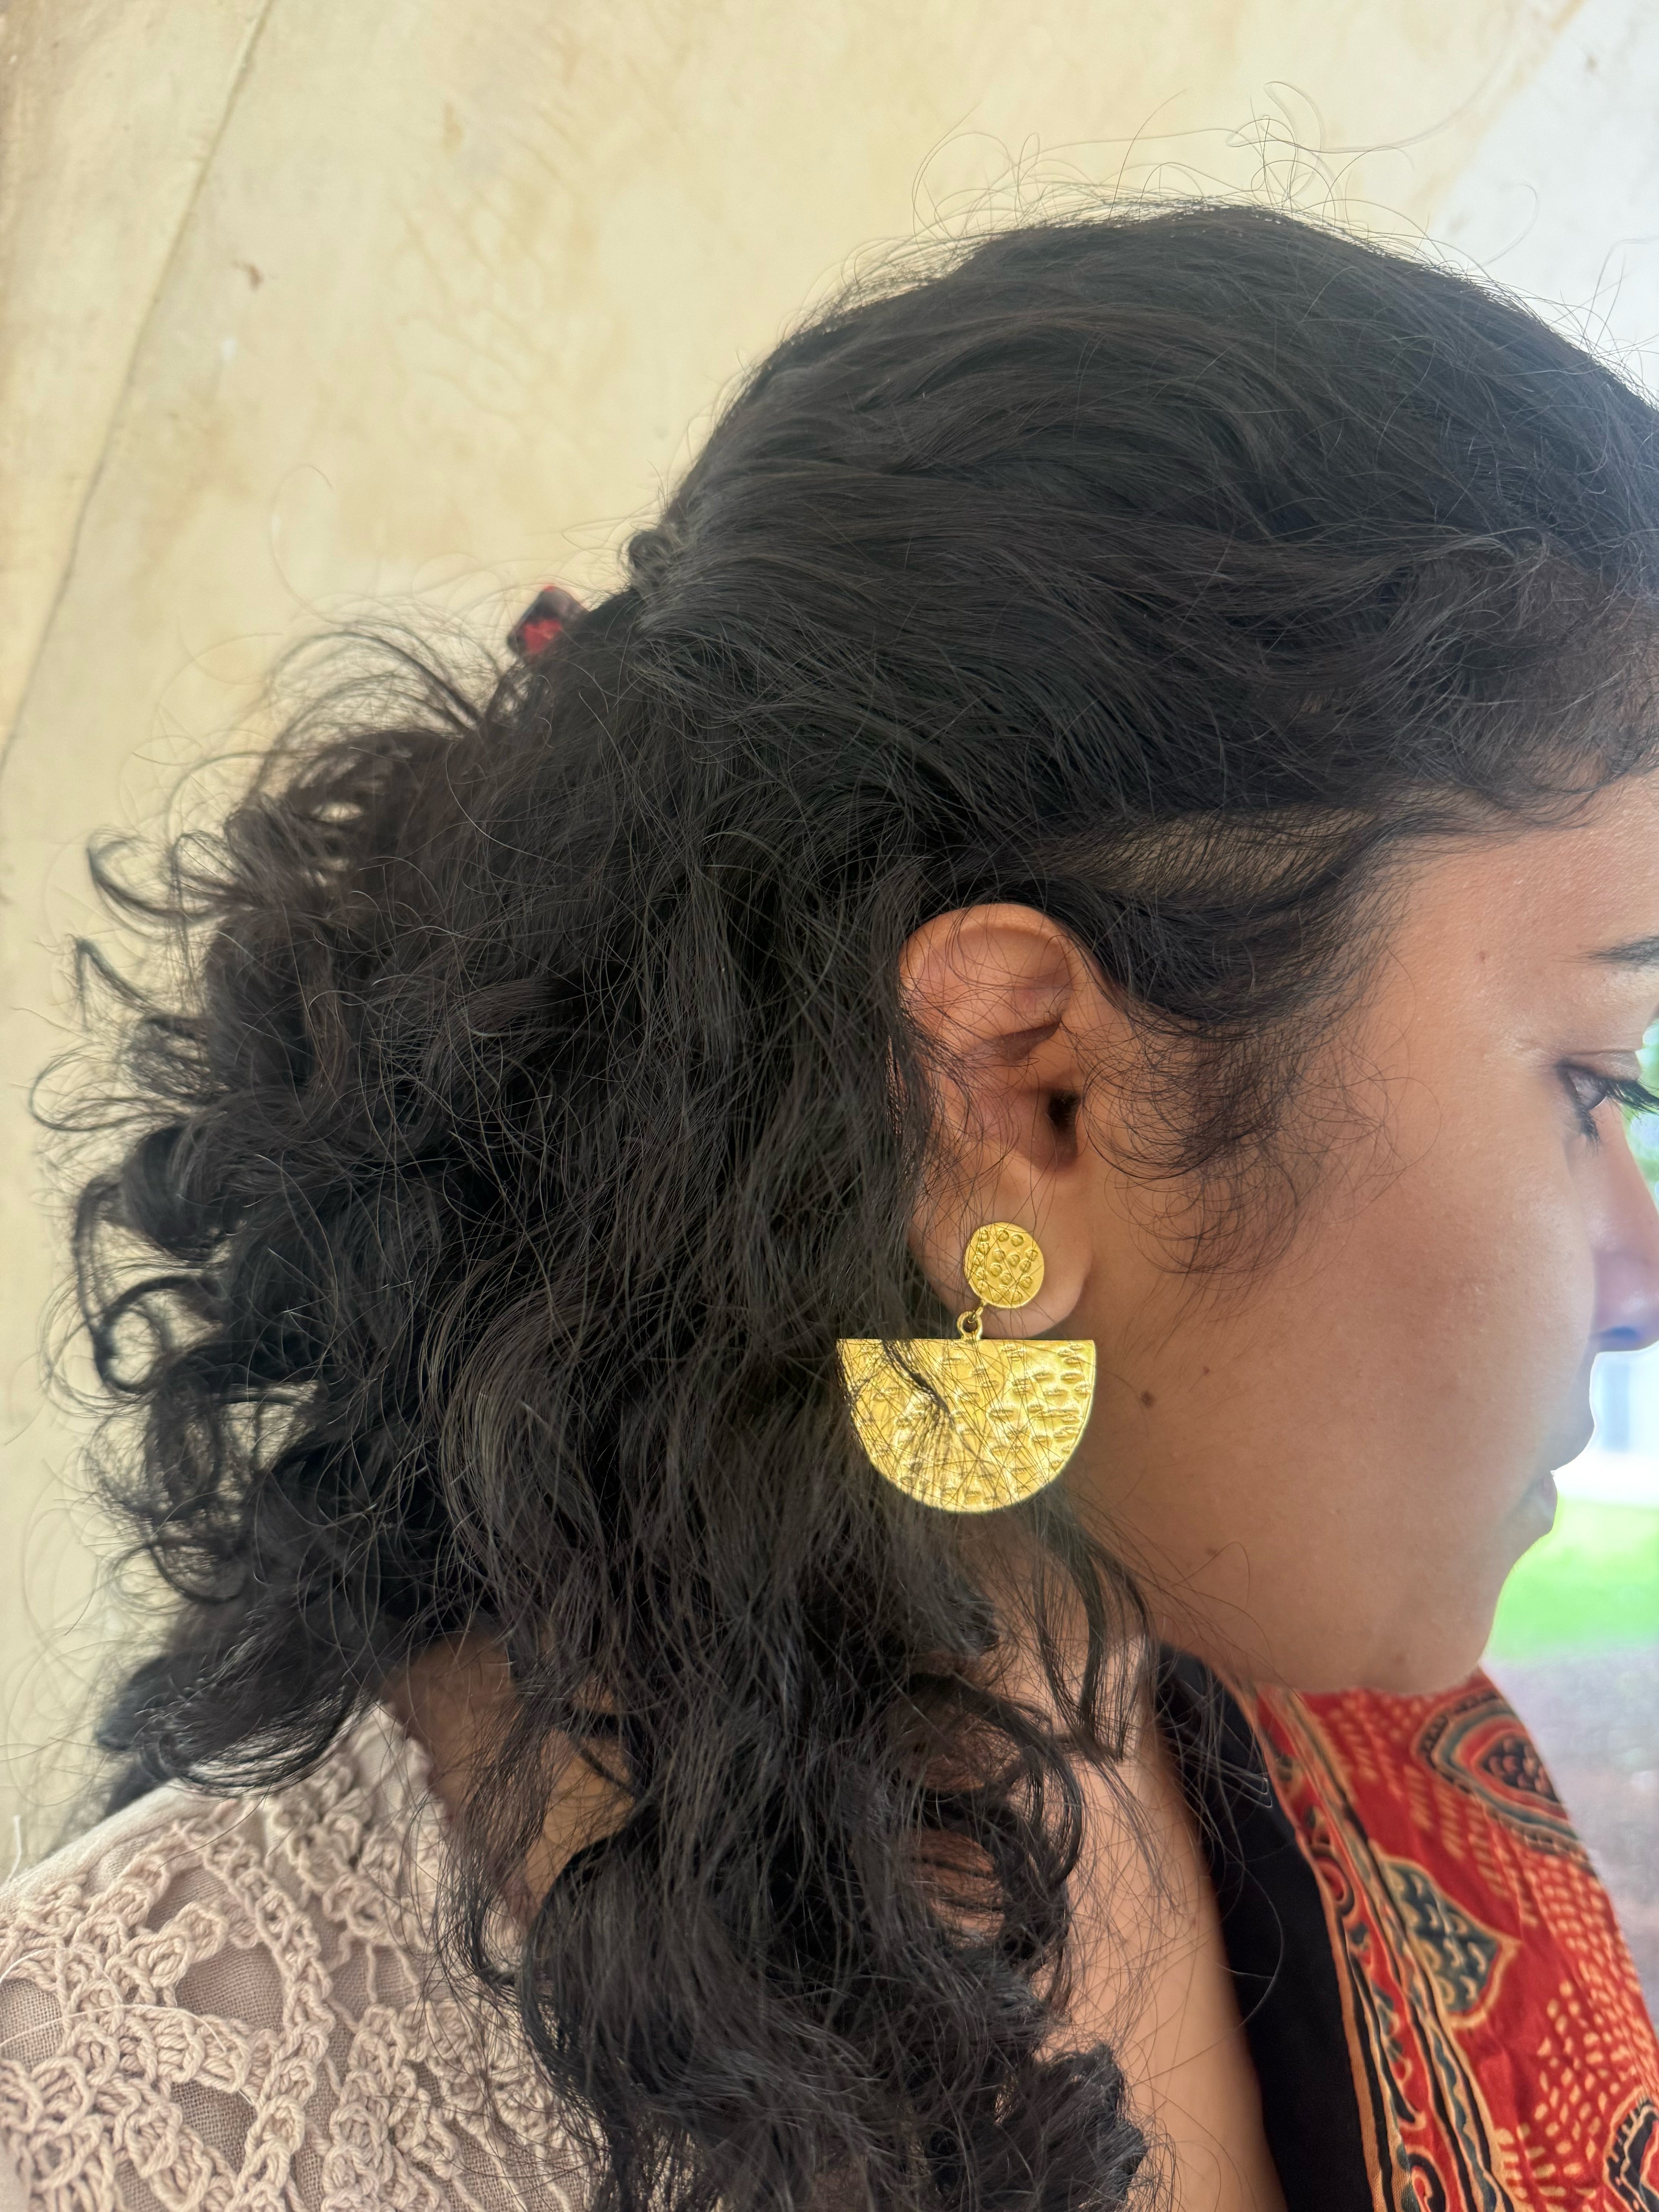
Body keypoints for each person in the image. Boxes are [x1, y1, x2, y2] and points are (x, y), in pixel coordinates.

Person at [2, 200, 1657, 2212]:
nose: (1644, 1267)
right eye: (1596, 1082)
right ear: (1017, 1089)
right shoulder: (146, 2120)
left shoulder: (1386, 1786)